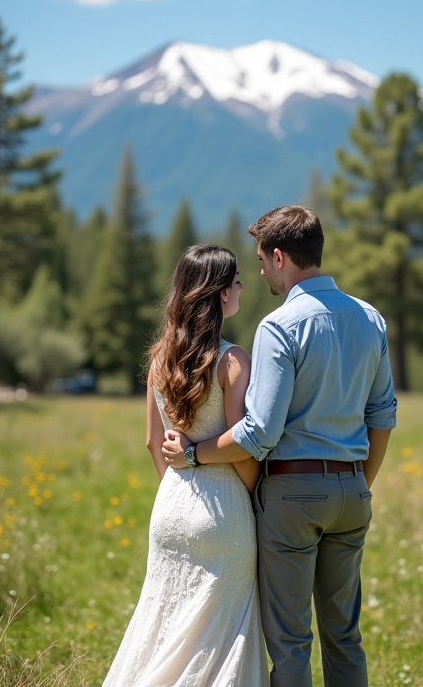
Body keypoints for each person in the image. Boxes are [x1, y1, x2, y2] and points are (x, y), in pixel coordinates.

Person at [163, 206, 397, 687]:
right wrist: (358, 484)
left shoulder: (279, 327)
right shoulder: (370, 319)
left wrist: (192, 453)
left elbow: (259, 433)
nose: (262, 273)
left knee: (291, 644)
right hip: (353, 489)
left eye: (263, 263)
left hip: (292, 494)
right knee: (345, 637)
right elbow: (383, 415)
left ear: (279, 257)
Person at [102, 244, 269, 687]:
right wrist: (250, 498)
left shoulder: (160, 359)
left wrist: (179, 484)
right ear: (217, 294)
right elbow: (245, 446)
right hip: (223, 510)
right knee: (219, 636)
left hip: (172, 503)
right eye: (234, 280)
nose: (241, 285)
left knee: (162, 625)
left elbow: (153, 442)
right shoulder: (233, 360)